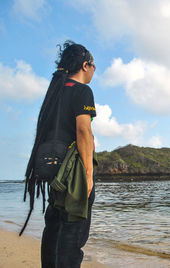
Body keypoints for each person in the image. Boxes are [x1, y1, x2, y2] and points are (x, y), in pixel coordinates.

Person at [22, 41, 97, 268]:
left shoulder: (54, 92)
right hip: (72, 172)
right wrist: (88, 174)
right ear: (85, 65)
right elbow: (83, 130)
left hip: (52, 170)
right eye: (94, 66)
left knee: (54, 226)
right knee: (72, 232)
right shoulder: (82, 91)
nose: (94, 71)